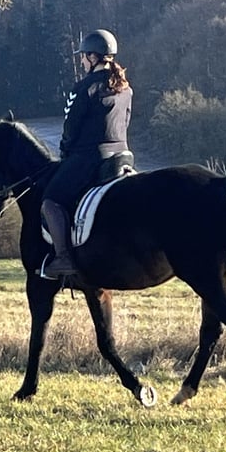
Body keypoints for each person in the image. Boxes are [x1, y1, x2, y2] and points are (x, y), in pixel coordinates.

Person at [41, 28, 133, 277]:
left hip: (90, 158)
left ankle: (63, 258)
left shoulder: (84, 88)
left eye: (83, 56)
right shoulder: (126, 89)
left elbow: (71, 127)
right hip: (122, 155)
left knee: (51, 201)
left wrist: (65, 151)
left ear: (93, 57)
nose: (82, 61)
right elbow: (125, 122)